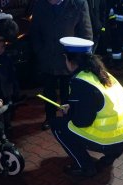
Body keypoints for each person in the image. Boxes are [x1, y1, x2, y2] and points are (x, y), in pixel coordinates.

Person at [50, 37, 123, 177]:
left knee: (57, 125)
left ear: (70, 60)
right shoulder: (102, 74)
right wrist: (74, 107)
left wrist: (69, 112)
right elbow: (99, 104)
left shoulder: (81, 82)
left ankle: (85, 167)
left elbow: (82, 122)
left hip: (110, 139)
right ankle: (109, 158)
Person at [30, 0, 93, 130]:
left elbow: (86, 33)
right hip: (48, 58)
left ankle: (68, 118)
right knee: (48, 91)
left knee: (68, 91)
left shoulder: (78, 4)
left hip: (70, 60)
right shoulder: (39, 5)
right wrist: (40, 52)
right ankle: (50, 118)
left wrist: (79, 59)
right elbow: (35, 32)